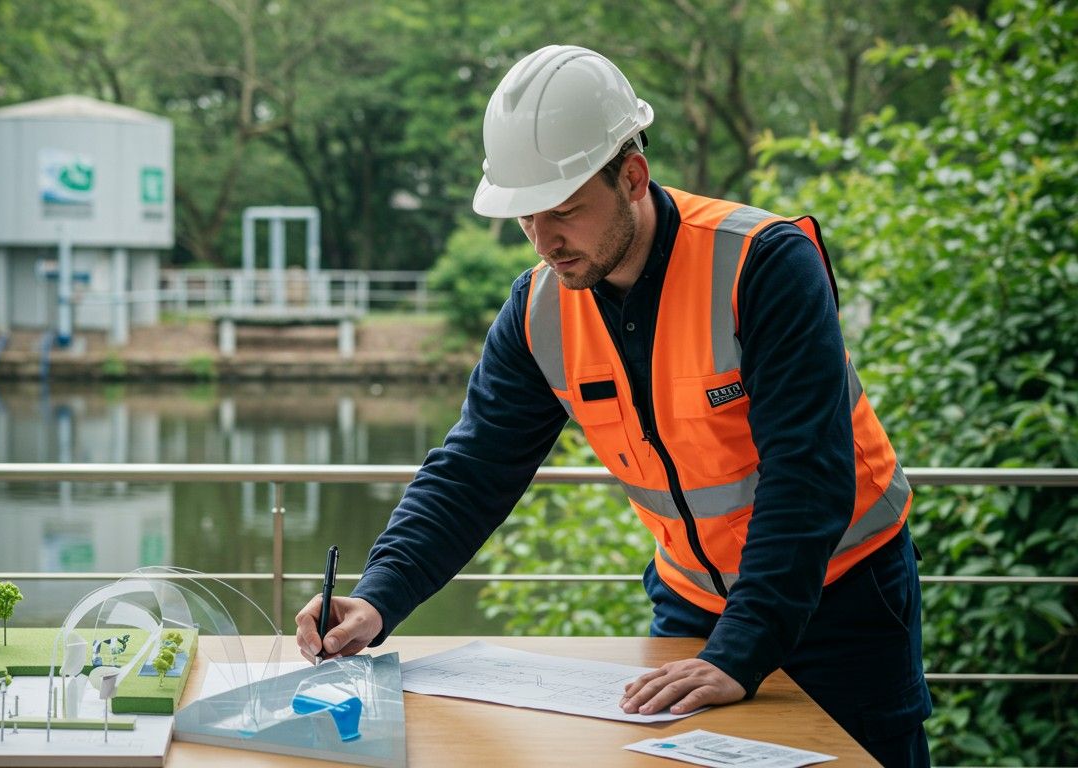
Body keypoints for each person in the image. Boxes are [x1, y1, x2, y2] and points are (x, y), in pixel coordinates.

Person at [294, 44, 931, 766]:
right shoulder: (537, 311)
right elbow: (473, 469)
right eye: (526, 218)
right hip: (692, 609)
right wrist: (377, 600)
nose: (544, 239)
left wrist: (743, 651)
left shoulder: (764, 262)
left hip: (844, 601)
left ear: (632, 176)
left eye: (564, 211)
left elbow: (807, 472)